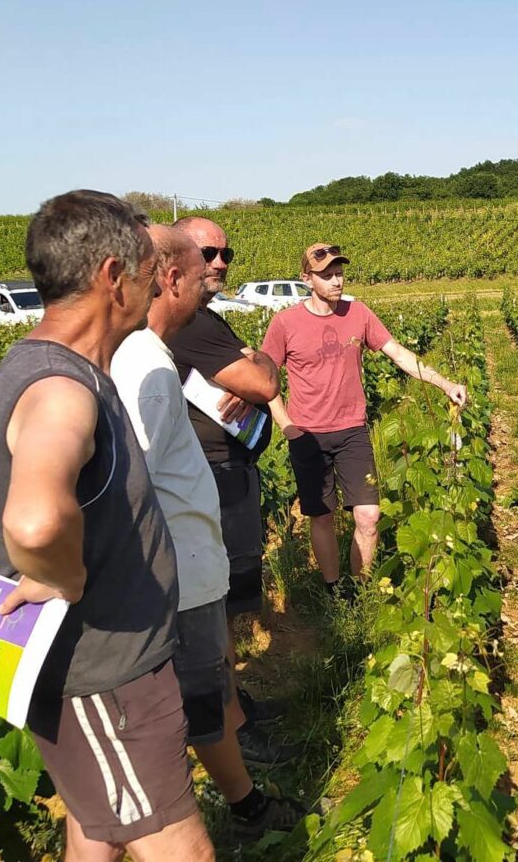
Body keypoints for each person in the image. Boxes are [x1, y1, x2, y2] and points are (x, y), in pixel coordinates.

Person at [0, 191, 215, 861]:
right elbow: (33, 520)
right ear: (112, 277)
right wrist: (62, 576)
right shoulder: (62, 387)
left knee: (97, 830)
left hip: (104, 677)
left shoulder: (55, 365)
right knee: (182, 850)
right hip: (107, 683)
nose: (154, 293)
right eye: (148, 274)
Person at [111, 227, 302, 840]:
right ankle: (228, 815)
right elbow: (129, 482)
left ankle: (226, 803)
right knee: (195, 706)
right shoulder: (145, 364)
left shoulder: (152, 355)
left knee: (209, 692)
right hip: (175, 579)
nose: (210, 282)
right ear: (169, 280)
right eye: (200, 272)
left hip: (186, 571)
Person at [261, 243, 467, 593]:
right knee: (322, 515)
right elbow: (265, 379)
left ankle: (362, 590)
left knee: (369, 515)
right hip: (306, 434)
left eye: (339, 273)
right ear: (306, 278)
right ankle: (332, 588)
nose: (336, 280)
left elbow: (398, 353)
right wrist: (287, 426)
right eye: (326, 275)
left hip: (352, 431)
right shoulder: (285, 323)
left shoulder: (358, 313)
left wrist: (444, 383)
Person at [165, 216, 288, 760]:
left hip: (224, 467)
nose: (218, 263)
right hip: (210, 474)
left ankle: (233, 701)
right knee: (213, 604)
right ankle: (231, 727)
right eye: (206, 253)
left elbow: (258, 372)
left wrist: (255, 366)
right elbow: (263, 380)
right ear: (174, 261)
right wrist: (256, 368)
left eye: (225, 253)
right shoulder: (191, 326)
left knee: (225, 599)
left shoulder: (204, 320)